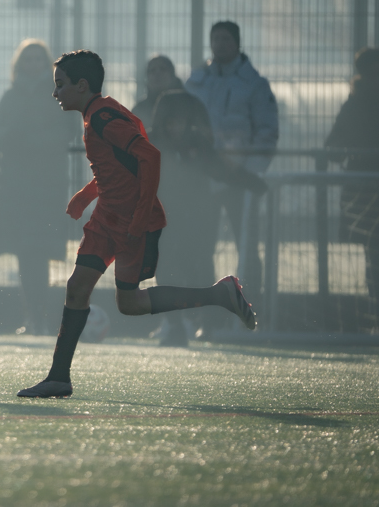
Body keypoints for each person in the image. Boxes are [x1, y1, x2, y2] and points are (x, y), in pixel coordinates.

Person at [17, 50, 257, 399]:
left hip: (130, 222)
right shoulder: (96, 114)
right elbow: (117, 166)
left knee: (128, 303)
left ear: (81, 86)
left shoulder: (103, 117)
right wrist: (86, 196)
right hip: (107, 218)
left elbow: (149, 155)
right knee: (78, 288)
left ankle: (219, 295)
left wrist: (142, 215)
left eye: (60, 86)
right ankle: (58, 377)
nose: (55, 93)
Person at [136, 55, 267, 347]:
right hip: (162, 219)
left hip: (198, 217)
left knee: (199, 266)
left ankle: (206, 323)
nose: (175, 128)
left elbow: (222, 170)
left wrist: (253, 182)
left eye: (180, 122)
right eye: (170, 122)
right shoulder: (151, 146)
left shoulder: (197, 146)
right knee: (166, 268)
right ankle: (174, 325)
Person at [0, 39, 78, 334]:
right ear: (20, 64)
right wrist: (12, 135)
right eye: (29, 59)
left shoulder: (57, 96)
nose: (34, 65)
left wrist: (28, 141)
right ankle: (34, 316)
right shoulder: (11, 97)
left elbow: (69, 132)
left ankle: (42, 316)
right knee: (26, 252)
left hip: (47, 186)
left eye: (40, 60)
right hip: (18, 188)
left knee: (41, 250)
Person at [186, 21, 278, 299]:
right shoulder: (196, 81)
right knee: (201, 245)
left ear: (237, 43)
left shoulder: (255, 85)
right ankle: (206, 316)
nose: (220, 44)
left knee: (247, 245)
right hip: (204, 178)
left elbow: (266, 132)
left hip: (240, 181)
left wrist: (248, 172)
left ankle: (251, 308)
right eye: (216, 39)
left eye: (226, 39)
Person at [325, 47, 379, 303]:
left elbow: (333, 147)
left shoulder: (354, 102)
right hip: (365, 185)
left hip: (360, 184)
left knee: (373, 249)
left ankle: (374, 303)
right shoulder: (356, 103)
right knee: (374, 248)